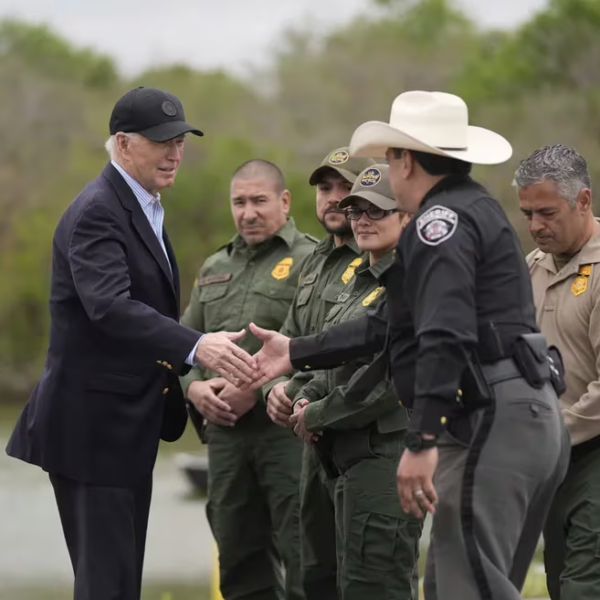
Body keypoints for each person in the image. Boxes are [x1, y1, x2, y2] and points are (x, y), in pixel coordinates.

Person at [248, 91, 571, 600]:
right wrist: (295, 352)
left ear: (405, 159)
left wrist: (420, 442)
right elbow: (389, 323)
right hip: (518, 413)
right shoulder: (470, 210)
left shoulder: (438, 224)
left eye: (390, 157)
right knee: (453, 585)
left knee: (469, 587)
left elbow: (443, 334)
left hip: (492, 415)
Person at [5, 86, 259, 600]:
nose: (175, 152)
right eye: (161, 140)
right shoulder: (99, 210)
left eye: (181, 140)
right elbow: (110, 307)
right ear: (122, 144)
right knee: (106, 586)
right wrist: (196, 347)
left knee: (119, 585)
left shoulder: (143, 206)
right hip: (91, 431)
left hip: (124, 429)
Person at [179, 159, 317, 600]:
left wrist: (253, 390)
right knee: (237, 558)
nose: (248, 212)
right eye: (239, 202)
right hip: (226, 439)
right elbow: (185, 343)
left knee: (304, 555)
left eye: (259, 200)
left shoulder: (312, 259)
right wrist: (194, 388)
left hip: (287, 434)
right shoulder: (215, 264)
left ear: (284, 201)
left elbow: (320, 345)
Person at [290, 163, 422, 599]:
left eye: (376, 210)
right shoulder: (358, 279)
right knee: (330, 583)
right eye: (355, 209)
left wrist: (318, 414)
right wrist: (305, 396)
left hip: (386, 458)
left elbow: (387, 383)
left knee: (376, 587)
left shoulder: (413, 283)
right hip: (342, 460)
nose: (362, 220)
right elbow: (333, 359)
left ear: (406, 217)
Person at [262, 146, 375, 600]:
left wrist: (307, 396)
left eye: (345, 188)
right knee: (314, 578)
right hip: (312, 445)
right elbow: (290, 339)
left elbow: (364, 356)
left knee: (370, 579)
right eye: (325, 188)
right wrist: (275, 388)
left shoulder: (377, 260)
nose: (332, 199)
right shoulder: (315, 260)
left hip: (361, 437)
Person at [516, 143, 600, 600]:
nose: (534, 227)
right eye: (527, 213)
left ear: (583, 201)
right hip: (549, 460)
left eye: (546, 213)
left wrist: (549, 438)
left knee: (586, 586)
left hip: (590, 452)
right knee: (559, 579)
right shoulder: (531, 268)